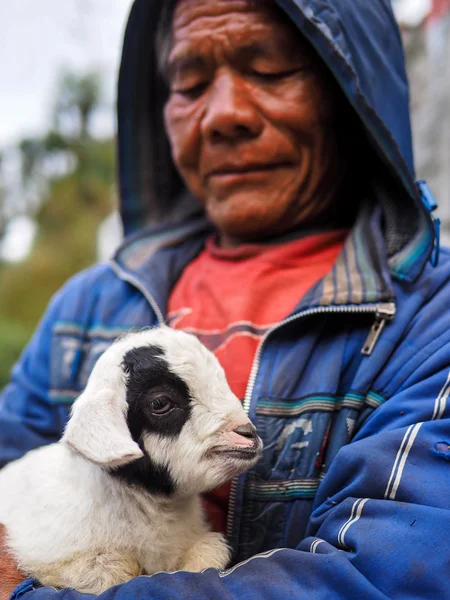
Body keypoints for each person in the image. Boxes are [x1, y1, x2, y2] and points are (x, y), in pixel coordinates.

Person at [1, 0, 449, 598]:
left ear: (353, 88)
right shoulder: (90, 305)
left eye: (270, 70)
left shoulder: (428, 320)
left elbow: (381, 576)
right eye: (189, 82)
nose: (224, 114)